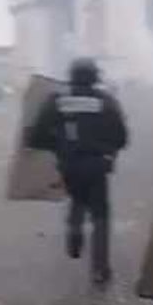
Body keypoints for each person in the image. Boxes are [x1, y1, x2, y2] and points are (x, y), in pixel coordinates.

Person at [27, 57, 129, 285]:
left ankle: (74, 235)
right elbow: (121, 137)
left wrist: (59, 146)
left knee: (76, 198)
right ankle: (100, 270)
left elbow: (36, 137)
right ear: (95, 77)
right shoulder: (106, 101)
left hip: (69, 165)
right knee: (101, 215)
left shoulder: (57, 101)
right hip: (97, 166)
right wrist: (107, 148)